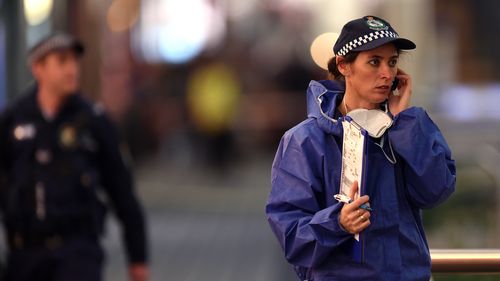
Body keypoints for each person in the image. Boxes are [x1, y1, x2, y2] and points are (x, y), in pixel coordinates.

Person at [265, 15, 456, 281]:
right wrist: (337, 223)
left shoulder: (407, 127)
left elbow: (437, 191)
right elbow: (290, 234)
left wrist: (405, 122)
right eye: (374, 62)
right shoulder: (304, 141)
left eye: (392, 62)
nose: (387, 74)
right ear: (344, 66)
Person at [0, 33, 149, 281]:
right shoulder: (13, 121)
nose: (72, 70)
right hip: (25, 255)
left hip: (77, 252)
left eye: (74, 62)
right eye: (61, 61)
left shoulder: (93, 122)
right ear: (38, 68)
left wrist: (138, 258)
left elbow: (123, 192)